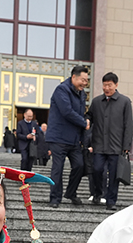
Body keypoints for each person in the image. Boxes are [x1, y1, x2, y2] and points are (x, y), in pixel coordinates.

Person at [89, 71, 133, 210]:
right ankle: (97, 193)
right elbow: (89, 117)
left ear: (116, 85)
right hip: (99, 144)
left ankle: (111, 201)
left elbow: (128, 125)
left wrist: (126, 145)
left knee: (114, 175)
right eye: (104, 85)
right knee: (97, 170)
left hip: (116, 146)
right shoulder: (96, 102)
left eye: (109, 85)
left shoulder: (125, 102)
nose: (106, 88)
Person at [47, 65, 89, 207]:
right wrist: (84, 123)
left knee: (79, 165)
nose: (84, 83)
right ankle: (55, 198)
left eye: (86, 80)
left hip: (74, 139)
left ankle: (71, 192)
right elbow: (67, 112)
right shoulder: (61, 90)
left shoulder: (82, 94)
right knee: (57, 169)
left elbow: (81, 113)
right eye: (82, 80)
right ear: (74, 77)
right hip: (58, 137)